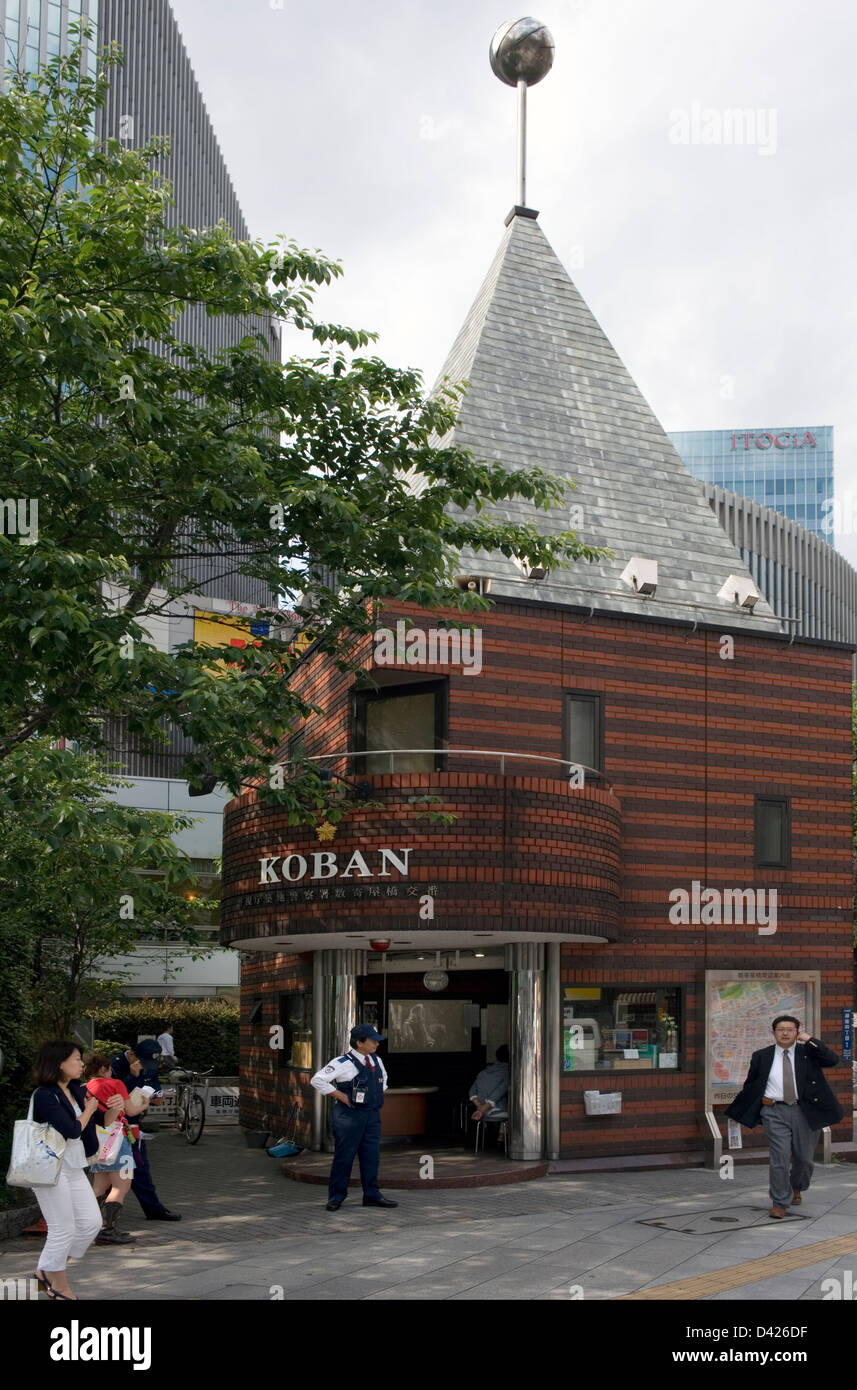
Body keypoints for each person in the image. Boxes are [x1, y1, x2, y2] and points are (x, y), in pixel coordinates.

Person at [726, 1014, 844, 1217]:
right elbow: (752, 1085)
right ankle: (779, 1201)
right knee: (779, 1157)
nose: (785, 1033)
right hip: (774, 1111)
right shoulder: (761, 1056)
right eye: (781, 1029)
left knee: (804, 1159)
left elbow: (832, 1060)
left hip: (805, 1111)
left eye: (790, 1029)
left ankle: (796, 1187)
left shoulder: (808, 1053)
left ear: (797, 1032)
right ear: (773, 1033)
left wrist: (809, 1040)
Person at [30, 1041, 106, 1300]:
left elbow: (93, 1123)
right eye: (76, 1058)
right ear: (59, 1063)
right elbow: (72, 1129)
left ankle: (46, 1268)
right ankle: (59, 1285)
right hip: (48, 1169)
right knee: (62, 1228)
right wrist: (88, 1110)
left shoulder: (75, 1089)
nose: (81, 1063)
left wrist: (112, 1109)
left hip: (73, 1165)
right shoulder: (44, 1094)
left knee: (91, 1223)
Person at [310, 1024, 399, 1212]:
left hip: (372, 1116)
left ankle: (372, 1195)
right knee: (345, 1157)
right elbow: (317, 1079)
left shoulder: (377, 1060)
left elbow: (383, 1082)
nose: (376, 1043)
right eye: (372, 1040)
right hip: (349, 1117)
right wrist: (341, 1096)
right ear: (359, 1043)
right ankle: (336, 1197)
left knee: (371, 1157)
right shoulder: (342, 1062)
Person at [110, 1043, 182, 1222]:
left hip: (133, 1125)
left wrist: (157, 1098)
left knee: (140, 1168)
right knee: (109, 1174)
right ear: (132, 1055)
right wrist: (132, 1076)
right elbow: (111, 1094)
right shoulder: (115, 1064)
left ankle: (153, 1209)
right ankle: (100, 1218)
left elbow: (155, 1089)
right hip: (113, 1125)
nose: (146, 1067)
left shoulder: (149, 1067)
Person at [85, 1053, 148, 1245]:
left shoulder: (85, 1087)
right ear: (103, 1069)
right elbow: (129, 1111)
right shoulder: (116, 1084)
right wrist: (144, 1104)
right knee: (121, 1186)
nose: (111, 1072)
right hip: (117, 1138)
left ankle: (90, 1228)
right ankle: (108, 1229)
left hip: (97, 1139)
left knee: (99, 1185)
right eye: (109, 1068)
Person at [469, 1044, 510, 1144]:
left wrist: (480, 1107)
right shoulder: (507, 1071)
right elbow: (500, 1091)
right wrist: (484, 1108)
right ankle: (501, 1136)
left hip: (482, 1112)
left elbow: (472, 1091)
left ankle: (493, 1136)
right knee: (517, 1114)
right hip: (496, 1111)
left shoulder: (483, 1072)